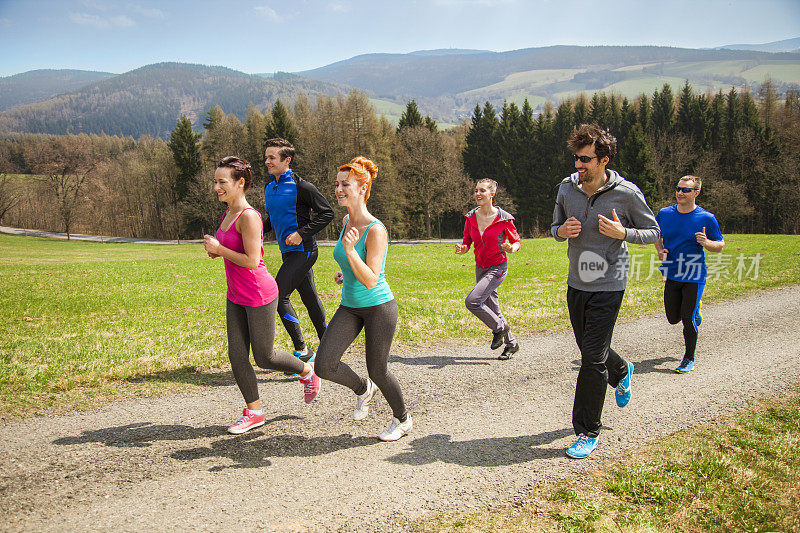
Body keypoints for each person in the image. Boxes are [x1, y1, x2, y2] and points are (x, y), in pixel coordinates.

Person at [551, 123, 660, 459]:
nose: (577, 166)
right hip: (576, 283)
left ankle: (587, 431)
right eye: (576, 158)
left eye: (584, 159)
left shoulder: (625, 193)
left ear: (603, 160)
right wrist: (561, 231)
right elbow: (554, 226)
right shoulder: (566, 189)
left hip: (610, 284)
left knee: (591, 359)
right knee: (591, 349)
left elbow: (653, 232)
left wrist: (622, 232)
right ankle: (623, 369)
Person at [203, 156, 320, 435]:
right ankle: (254, 412)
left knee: (265, 357)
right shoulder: (227, 213)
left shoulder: (250, 217)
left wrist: (220, 250)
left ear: (240, 183)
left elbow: (252, 261)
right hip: (236, 294)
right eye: (215, 181)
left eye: (222, 182)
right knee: (236, 354)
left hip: (258, 292)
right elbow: (231, 251)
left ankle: (307, 372)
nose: (216, 187)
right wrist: (216, 250)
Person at [314, 156, 411, 442]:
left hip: (379, 307)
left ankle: (402, 419)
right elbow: (355, 267)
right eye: (337, 184)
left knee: (378, 369)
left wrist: (352, 253)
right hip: (351, 306)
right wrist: (345, 271)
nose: (339, 189)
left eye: (346, 184)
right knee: (324, 364)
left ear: (363, 187)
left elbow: (371, 278)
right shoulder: (346, 220)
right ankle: (362, 389)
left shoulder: (375, 229)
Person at [263, 138, 334, 374]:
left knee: (277, 295)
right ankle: (329, 348)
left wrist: (301, 233)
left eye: (272, 157)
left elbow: (327, 213)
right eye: (266, 157)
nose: (267, 161)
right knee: (310, 297)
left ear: (287, 160)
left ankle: (303, 351)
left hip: (304, 251)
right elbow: (271, 221)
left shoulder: (302, 187)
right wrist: (252, 235)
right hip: (287, 254)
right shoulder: (269, 188)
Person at [655, 175, 724, 374]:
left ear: (696, 193)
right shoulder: (665, 214)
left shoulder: (706, 218)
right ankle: (696, 309)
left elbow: (719, 245)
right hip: (672, 272)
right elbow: (655, 235)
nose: (680, 193)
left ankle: (688, 358)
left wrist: (706, 243)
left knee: (687, 318)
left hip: (694, 274)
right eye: (678, 189)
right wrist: (660, 250)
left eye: (685, 190)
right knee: (672, 318)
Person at [455, 178, 522, 360]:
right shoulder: (470, 218)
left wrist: (511, 248)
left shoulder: (504, 218)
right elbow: (467, 240)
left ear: (492, 194)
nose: (478, 194)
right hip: (481, 267)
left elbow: (516, 241)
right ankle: (512, 344)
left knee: (473, 301)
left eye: (482, 191)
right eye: (476, 190)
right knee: (493, 308)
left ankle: (500, 328)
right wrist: (464, 248)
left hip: (498, 267)